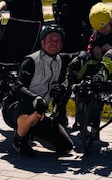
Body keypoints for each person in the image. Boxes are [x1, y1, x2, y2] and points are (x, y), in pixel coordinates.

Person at [8, 24, 75, 157]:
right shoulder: (31, 61)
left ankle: (30, 132)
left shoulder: (61, 60)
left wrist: (82, 58)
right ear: (42, 42)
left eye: (57, 41)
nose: (53, 43)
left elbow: (83, 53)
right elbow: (18, 87)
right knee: (31, 107)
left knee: (65, 146)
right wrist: (35, 99)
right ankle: (19, 141)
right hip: (16, 109)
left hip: (40, 113)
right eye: (50, 40)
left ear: (62, 45)